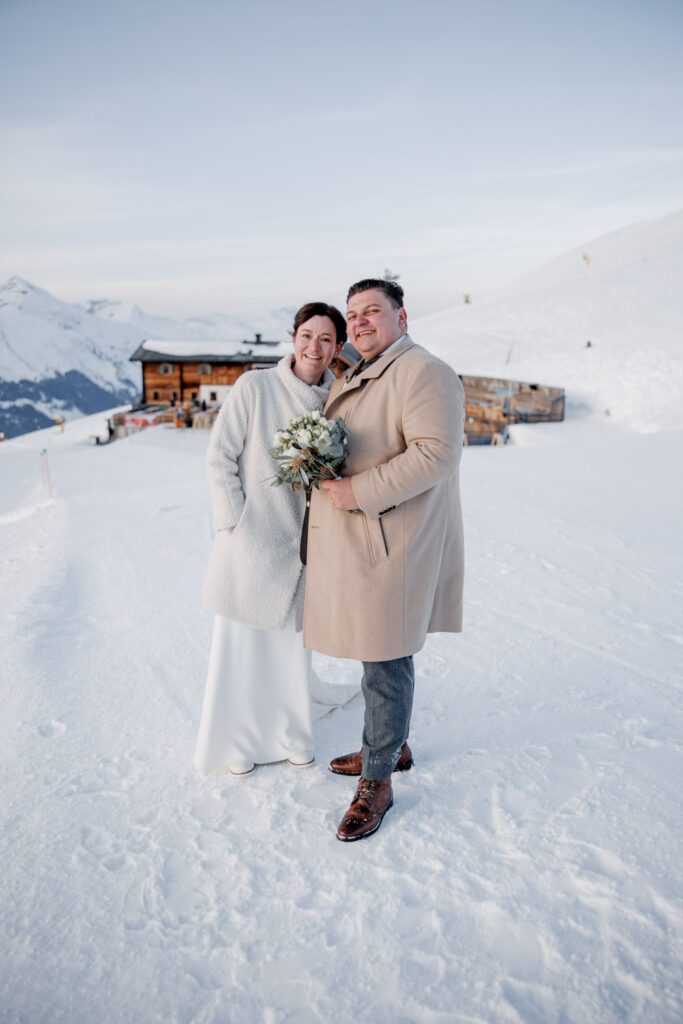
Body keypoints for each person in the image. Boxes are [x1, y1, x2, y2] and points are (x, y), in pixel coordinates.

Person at [304, 279, 465, 840]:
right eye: (353, 314)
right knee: (376, 651)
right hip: (368, 537)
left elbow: (437, 453)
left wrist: (359, 491)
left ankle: (378, 780)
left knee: (386, 655)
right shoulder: (362, 370)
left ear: (402, 317)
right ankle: (389, 745)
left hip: (394, 537)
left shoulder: (424, 371)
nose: (361, 321)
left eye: (373, 310)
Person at [194, 302, 346, 777]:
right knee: (244, 645)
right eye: (306, 335)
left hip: (305, 544)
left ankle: (290, 733)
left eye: (325, 339)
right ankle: (237, 737)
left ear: (338, 347)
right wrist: (234, 524)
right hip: (252, 535)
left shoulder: (338, 399)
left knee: (291, 647)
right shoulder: (254, 387)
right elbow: (220, 456)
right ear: (293, 337)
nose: (314, 347)